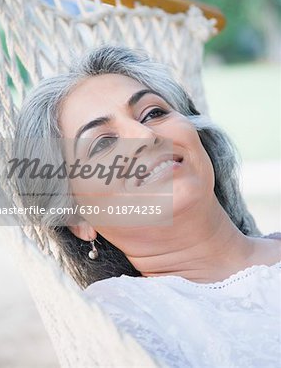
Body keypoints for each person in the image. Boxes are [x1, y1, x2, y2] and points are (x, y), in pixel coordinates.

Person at [14, 45, 281, 367]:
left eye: (154, 113)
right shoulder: (123, 321)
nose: (144, 135)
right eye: (103, 142)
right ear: (78, 220)